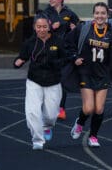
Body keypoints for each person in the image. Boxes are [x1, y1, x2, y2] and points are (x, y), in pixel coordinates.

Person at [67, 2, 112, 147]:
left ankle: (93, 136)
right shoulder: (84, 28)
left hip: (103, 74)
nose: (100, 16)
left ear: (107, 15)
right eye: (97, 13)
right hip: (86, 72)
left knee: (99, 109)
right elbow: (68, 44)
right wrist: (74, 57)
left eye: (103, 13)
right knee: (88, 108)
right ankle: (80, 122)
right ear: (93, 14)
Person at [14, 11, 67, 150]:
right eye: (39, 27)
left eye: (44, 26)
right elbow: (22, 57)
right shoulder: (29, 43)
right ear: (34, 27)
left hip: (53, 82)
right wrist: (18, 62)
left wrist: (56, 63)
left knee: (51, 115)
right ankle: (37, 140)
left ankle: (47, 126)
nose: (41, 29)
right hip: (34, 81)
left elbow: (65, 58)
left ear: (49, 26)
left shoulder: (58, 41)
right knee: (32, 112)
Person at [44, 0, 80, 120]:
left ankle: (61, 109)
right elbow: (38, 28)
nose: (50, 0)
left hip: (64, 52)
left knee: (62, 81)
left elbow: (78, 25)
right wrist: (50, 27)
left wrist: (75, 28)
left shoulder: (69, 13)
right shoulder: (46, 13)